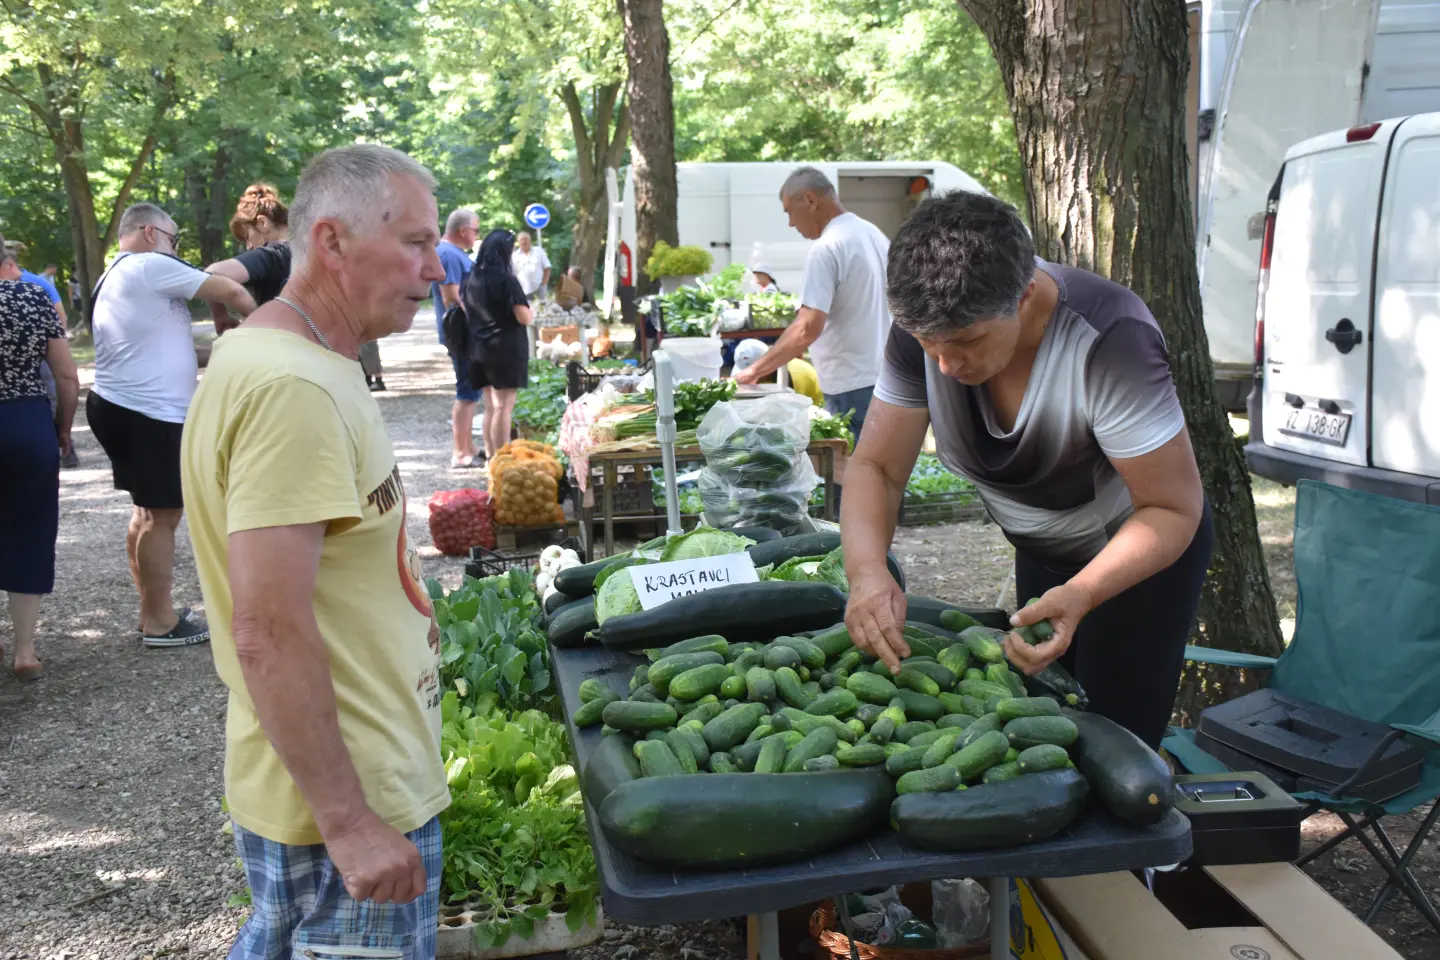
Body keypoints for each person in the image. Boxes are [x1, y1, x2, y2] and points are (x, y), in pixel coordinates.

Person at [181, 144, 447, 958]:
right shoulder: (292, 388)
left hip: (344, 782)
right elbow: (267, 629)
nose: (436, 268)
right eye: (415, 242)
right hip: (342, 806)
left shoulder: (296, 360)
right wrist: (351, 822)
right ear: (332, 241)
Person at [840, 191, 1212, 749]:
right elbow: (877, 466)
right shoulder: (927, 326)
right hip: (1045, 553)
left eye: (966, 342)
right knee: (1047, 726)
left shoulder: (1111, 338)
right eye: (928, 345)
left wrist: (1084, 590)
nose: (946, 365)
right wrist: (867, 570)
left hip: (1138, 559)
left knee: (1114, 744)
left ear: (1025, 295)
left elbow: (1172, 508)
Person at [89, 202, 256, 647]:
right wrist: (263, 329)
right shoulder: (148, 265)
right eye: (173, 239)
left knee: (146, 513)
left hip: (121, 406)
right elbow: (231, 290)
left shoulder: (116, 275)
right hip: (147, 414)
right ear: (150, 233)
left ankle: (151, 610)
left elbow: (166, 350)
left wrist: (224, 349)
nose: (176, 250)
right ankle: (161, 623)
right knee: (163, 516)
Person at [732, 167, 891, 446]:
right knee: (883, 467)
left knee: (855, 469)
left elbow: (807, 328)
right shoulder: (874, 234)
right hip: (885, 377)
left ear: (810, 200)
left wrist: (753, 371)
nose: (791, 223)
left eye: (789, 212)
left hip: (851, 384)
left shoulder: (827, 247)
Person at [0, 244, 79, 682]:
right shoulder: (32, 296)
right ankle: (25, 650)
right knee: (30, 531)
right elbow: (66, 375)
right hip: (25, 421)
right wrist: (62, 428)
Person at [461, 229, 533, 460]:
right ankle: (502, 460)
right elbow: (523, 317)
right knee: (504, 406)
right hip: (505, 349)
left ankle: (492, 458)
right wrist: (530, 312)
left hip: (479, 348)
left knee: (491, 406)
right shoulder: (507, 280)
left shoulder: (472, 278)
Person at [433, 208, 481, 467]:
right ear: (463, 231)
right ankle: (460, 453)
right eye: (476, 230)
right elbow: (451, 297)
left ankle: (469, 447)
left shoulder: (451, 253)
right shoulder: (449, 254)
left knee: (471, 391)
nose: (476, 236)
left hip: (465, 334)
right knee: (466, 392)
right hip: (463, 335)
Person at [511, 230, 551, 303]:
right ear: (518, 242)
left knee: (543, 307)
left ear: (530, 240)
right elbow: (512, 274)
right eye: (521, 240)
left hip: (539, 288)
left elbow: (547, 268)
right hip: (523, 290)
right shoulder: (514, 256)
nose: (524, 242)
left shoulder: (539, 251)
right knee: (527, 309)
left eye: (526, 239)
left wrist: (543, 284)